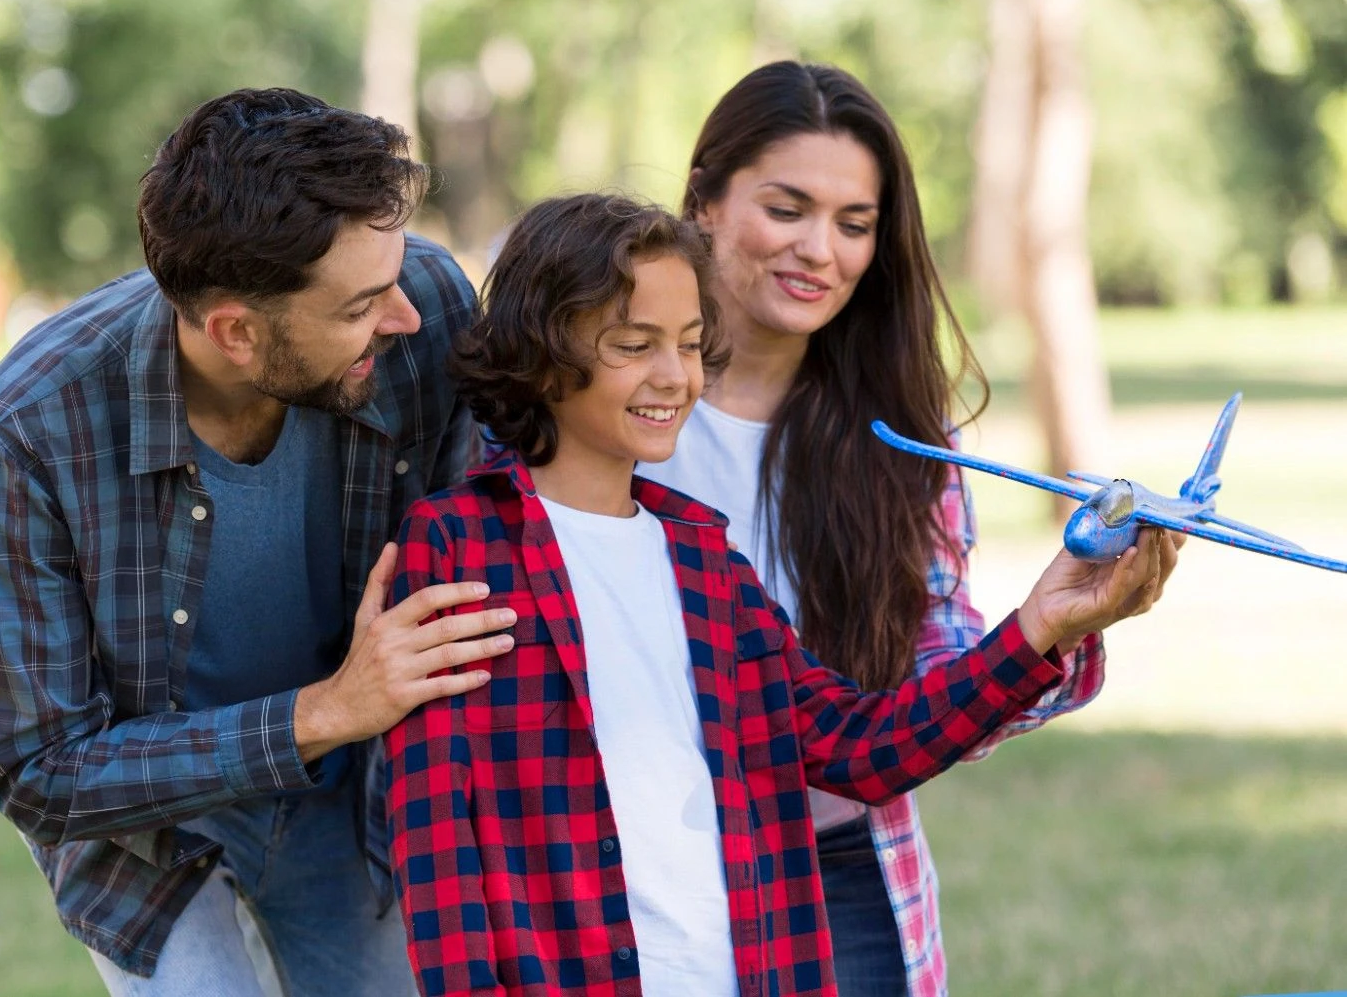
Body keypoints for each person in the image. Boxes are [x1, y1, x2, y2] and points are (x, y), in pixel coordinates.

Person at [383, 193, 1170, 996]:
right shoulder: (457, 547)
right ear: (543, 355)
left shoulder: (703, 557)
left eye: (690, 345)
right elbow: (438, 845)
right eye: (634, 344)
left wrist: (1043, 622)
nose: (674, 376)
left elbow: (861, 747)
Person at [637, 60, 1183, 997]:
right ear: (704, 201)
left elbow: (931, 697)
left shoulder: (901, 447)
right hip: (627, 873)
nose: (821, 250)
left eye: (855, 225)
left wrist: (1050, 631)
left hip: (836, 871)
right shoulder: (601, 401)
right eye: (787, 208)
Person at [0, 87, 513, 997]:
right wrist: (328, 709)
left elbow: (511, 513)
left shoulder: (426, 305)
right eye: (362, 305)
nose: (405, 317)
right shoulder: (32, 428)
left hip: (350, 797)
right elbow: (43, 773)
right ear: (236, 332)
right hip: (148, 833)